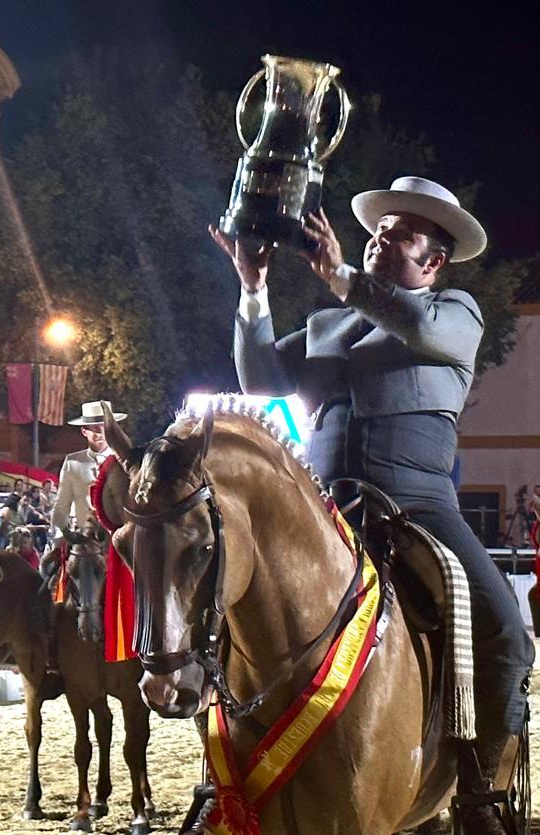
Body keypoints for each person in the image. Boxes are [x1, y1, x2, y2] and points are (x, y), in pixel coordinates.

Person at [217, 175, 534, 828]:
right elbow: (261, 379)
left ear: (434, 261)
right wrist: (253, 291)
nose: (383, 239)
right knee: (227, 606)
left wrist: (338, 275)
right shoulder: (331, 321)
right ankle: (226, 762)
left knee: (506, 630)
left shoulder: (456, 312)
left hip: (420, 504)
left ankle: (481, 789)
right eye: (380, 230)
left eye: (403, 234)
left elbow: (409, 318)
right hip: (327, 506)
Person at [50, 400, 127, 538]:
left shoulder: (122, 460)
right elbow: (62, 503)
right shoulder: (73, 462)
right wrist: (63, 532)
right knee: (51, 557)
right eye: (95, 429)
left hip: (117, 535)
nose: (100, 433)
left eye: (104, 428)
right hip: (83, 535)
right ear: (84, 431)